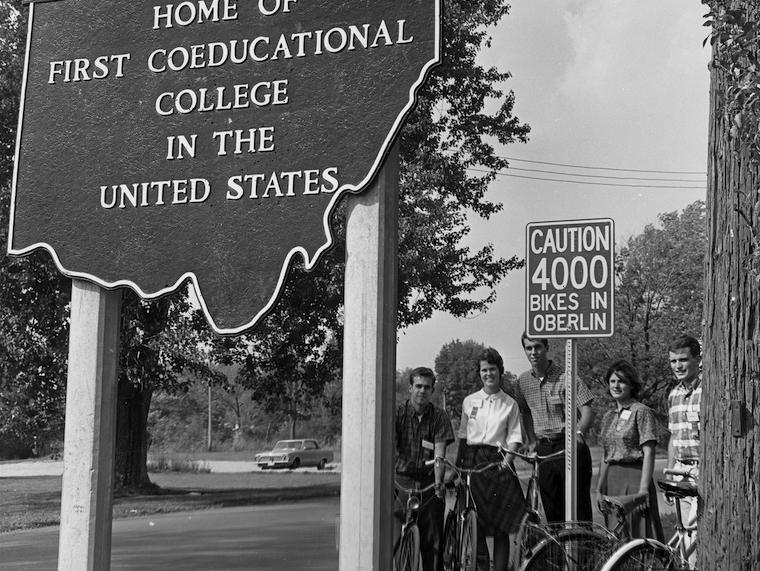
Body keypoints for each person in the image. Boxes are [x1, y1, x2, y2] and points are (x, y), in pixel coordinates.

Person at [456, 348, 525, 571]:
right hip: (473, 459)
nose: (488, 374)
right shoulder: (469, 401)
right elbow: (463, 435)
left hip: (498, 461)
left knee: (500, 526)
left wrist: (506, 462)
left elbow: (515, 437)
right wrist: (458, 468)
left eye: (492, 369)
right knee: (476, 522)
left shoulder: (510, 404)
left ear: (500, 371)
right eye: (484, 370)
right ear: (479, 373)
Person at [514, 333, 595, 522]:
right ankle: (558, 543)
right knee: (552, 511)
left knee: (578, 508)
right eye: (528, 348)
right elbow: (525, 412)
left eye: (537, 347)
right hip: (544, 449)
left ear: (546, 347)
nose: (533, 352)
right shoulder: (523, 382)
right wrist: (532, 440)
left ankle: (583, 542)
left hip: (569, 445)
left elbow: (587, 410)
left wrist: (579, 432)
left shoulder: (567, 377)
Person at [595, 360, 664, 540]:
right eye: (612, 381)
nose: (616, 386)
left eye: (622, 381)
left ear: (631, 385)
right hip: (612, 481)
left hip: (635, 479)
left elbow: (649, 452)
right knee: (616, 535)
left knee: (639, 534)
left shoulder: (641, 411)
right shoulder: (608, 417)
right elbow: (605, 456)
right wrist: (599, 489)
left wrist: (643, 490)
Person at [395, 366, 454, 571]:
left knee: (433, 541)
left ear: (432, 390)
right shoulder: (398, 413)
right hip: (401, 479)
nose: (422, 391)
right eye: (418, 386)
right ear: (410, 388)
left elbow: (439, 451)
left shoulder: (439, 416)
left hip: (428, 480)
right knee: (394, 539)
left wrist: (438, 482)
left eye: (427, 387)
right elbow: (390, 447)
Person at [665, 334, 702, 563]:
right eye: (673, 361)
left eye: (683, 360)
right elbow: (673, 437)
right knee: (683, 533)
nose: (677, 366)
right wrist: (670, 473)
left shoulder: (708, 389)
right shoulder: (674, 394)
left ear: (697, 359)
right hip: (680, 469)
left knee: (693, 534)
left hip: (701, 469)